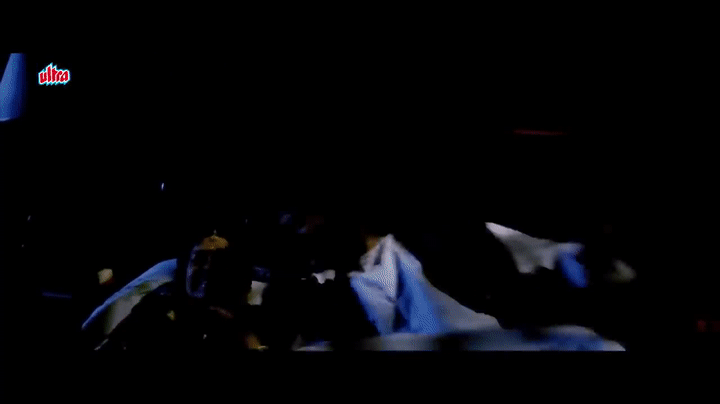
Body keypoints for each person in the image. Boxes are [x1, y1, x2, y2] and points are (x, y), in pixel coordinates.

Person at [95, 232, 262, 351]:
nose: (207, 268)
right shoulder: (153, 309)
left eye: (219, 262)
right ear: (185, 267)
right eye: (200, 259)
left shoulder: (245, 322)